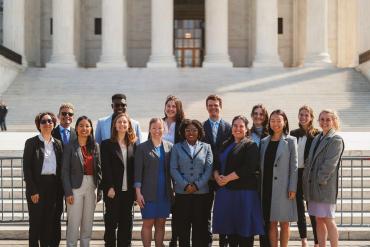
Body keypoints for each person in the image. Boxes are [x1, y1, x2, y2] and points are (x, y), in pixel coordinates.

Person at [213, 115, 265, 247]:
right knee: (230, 231)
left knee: (244, 231)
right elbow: (216, 164)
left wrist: (227, 179)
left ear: (246, 129)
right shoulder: (225, 144)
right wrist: (217, 176)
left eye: (241, 126)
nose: (238, 128)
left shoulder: (250, 145)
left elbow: (248, 168)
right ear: (231, 128)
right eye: (235, 126)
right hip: (226, 193)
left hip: (244, 194)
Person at [303, 110, 344, 247]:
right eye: (322, 119)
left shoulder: (336, 139)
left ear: (333, 121)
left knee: (328, 220)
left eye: (328, 119)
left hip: (324, 187)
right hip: (313, 187)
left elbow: (329, 164)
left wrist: (320, 180)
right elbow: (310, 161)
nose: (325, 122)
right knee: (318, 220)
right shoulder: (317, 137)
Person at [170, 119, 213, 247]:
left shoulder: (207, 147)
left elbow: (209, 169)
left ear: (199, 132)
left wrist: (196, 185)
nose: (191, 132)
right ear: (183, 132)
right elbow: (173, 168)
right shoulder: (176, 147)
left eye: (194, 130)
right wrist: (185, 185)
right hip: (182, 194)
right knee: (183, 227)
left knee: (199, 227)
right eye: (187, 130)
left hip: (201, 194)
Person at [23, 112, 63, 247]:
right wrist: (33, 190)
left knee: (48, 223)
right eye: (44, 121)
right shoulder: (31, 143)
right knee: (35, 224)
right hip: (36, 187)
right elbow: (27, 169)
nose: (47, 124)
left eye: (50, 121)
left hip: (52, 187)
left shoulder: (58, 143)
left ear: (54, 124)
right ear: (38, 125)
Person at [62, 116, 102, 247]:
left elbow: (99, 170)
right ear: (76, 128)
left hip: (91, 186)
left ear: (91, 129)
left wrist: (99, 189)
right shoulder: (69, 147)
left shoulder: (95, 146)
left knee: (87, 222)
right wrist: (68, 192)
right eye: (81, 126)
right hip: (75, 188)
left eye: (87, 126)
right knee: (73, 222)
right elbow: (65, 171)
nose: (84, 128)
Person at [260, 109, 298, 247]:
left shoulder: (291, 141)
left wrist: (292, 187)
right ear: (269, 122)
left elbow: (294, 166)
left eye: (278, 120)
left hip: (284, 188)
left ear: (285, 122)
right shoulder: (264, 141)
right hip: (267, 187)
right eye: (272, 120)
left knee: (285, 222)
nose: (275, 123)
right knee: (271, 222)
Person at [134, 118, 173, 247]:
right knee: (148, 223)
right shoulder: (142, 148)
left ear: (164, 129)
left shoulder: (169, 147)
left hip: (164, 192)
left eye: (160, 128)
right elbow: (137, 173)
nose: (157, 131)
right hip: (148, 193)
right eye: (154, 128)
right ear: (149, 129)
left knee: (161, 224)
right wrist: (138, 193)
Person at [101, 113, 137, 247]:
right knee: (111, 223)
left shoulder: (133, 145)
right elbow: (105, 168)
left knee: (126, 224)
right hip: (113, 191)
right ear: (115, 125)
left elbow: (134, 169)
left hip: (128, 191)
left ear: (129, 126)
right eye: (119, 122)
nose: (122, 124)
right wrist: (109, 187)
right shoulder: (106, 144)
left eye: (125, 122)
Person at [202, 94, 231, 247]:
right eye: (210, 105)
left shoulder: (229, 128)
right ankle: (207, 241)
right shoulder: (201, 128)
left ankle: (223, 242)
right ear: (207, 107)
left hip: (224, 177)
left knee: (223, 210)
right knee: (206, 211)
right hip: (207, 177)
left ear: (220, 106)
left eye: (216, 105)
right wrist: (212, 172)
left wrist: (220, 173)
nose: (213, 107)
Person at [290, 106, 319, 247]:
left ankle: (317, 241)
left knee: (312, 209)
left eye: (306, 115)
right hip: (296, 173)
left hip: (309, 176)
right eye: (301, 115)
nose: (303, 117)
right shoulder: (293, 133)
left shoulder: (317, 135)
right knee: (299, 208)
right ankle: (303, 239)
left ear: (311, 117)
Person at [51, 103, 77, 247]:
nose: (67, 116)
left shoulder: (76, 133)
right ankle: (55, 243)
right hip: (55, 182)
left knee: (72, 216)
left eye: (70, 114)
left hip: (72, 182)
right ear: (59, 115)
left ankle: (70, 243)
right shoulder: (51, 132)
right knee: (55, 215)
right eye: (64, 113)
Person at [161, 95, 185, 247]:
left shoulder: (182, 125)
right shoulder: (159, 123)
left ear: (178, 109)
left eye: (173, 106)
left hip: (177, 170)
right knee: (163, 206)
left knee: (177, 209)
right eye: (168, 106)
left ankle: (174, 239)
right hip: (160, 168)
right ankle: (159, 239)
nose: (170, 109)